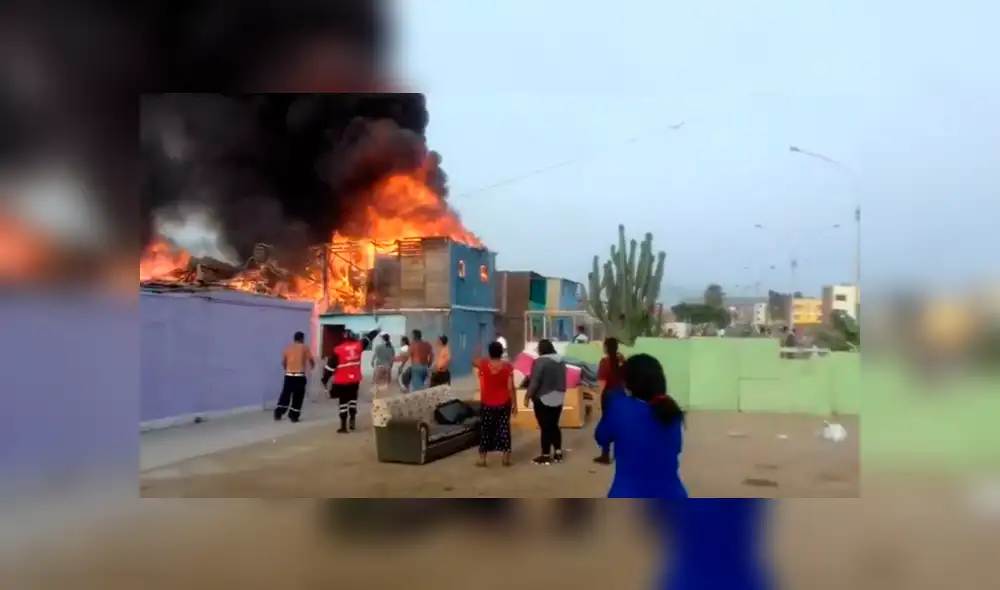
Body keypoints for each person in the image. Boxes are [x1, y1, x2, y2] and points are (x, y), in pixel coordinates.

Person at [594, 353, 687, 498]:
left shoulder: (620, 407)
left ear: (629, 383)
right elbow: (676, 448)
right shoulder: (671, 410)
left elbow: (601, 437)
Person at [474, 340, 516, 467]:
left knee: (486, 430)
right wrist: (515, 404)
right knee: (504, 429)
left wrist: (477, 348)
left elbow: (473, 360)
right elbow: (510, 388)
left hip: (487, 403)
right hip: (504, 403)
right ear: (502, 352)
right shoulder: (508, 367)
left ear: (489, 352)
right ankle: (505, 458)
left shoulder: (483, 364)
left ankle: (482, 459)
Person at [524, 339, 567, 464]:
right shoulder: (561, 360)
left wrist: (527, 396)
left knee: (545, 427)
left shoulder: (540, 361)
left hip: (543, 397)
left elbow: (535, 381)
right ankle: (558, 452)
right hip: (559, 396)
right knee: (554, 425)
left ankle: (546, 455)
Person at [593, 337, 625, 465]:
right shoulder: (622, 360)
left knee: (606, 425)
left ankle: (605, 455)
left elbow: (602, 383)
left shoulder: (605, 362)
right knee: (620, 425)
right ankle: (620, 454)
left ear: (606, 348)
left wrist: (596, 399)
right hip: (621, 394)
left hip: (609, 395)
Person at [274, 331, 315, 423]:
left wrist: (287, 370)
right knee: (298, 396)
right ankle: (294, 416)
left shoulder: (288, 348)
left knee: (285, 394)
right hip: (299, 376)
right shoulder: (304, 348)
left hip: (288, 375)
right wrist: (312, 367)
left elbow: (284, 362)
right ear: (302, 339)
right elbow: (311, 360)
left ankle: (278, 412)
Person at [331, 331, 364, 433]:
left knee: (343, 402)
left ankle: (343, 426)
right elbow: (368, 339)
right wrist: (377, 330)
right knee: (353, 400)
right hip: (355, 380)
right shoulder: (358, 346)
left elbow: (330, 366)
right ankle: (352, 421)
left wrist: (324, 379)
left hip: (342, 381)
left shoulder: (337, 349)